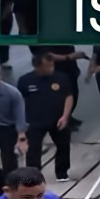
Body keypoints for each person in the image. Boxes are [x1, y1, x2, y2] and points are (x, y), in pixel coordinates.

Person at [17, 54, 73, 182]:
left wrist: (65, 116)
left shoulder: (61, 77)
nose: (51, 68)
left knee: (63, 145)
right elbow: (19, 101)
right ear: (37, 66)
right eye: (48, 66)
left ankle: (62, 173)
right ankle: (34, 177)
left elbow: (69, 96)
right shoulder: (25, 80)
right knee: (33, 150)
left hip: (57, 119)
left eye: (52, 65)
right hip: (34, 121)